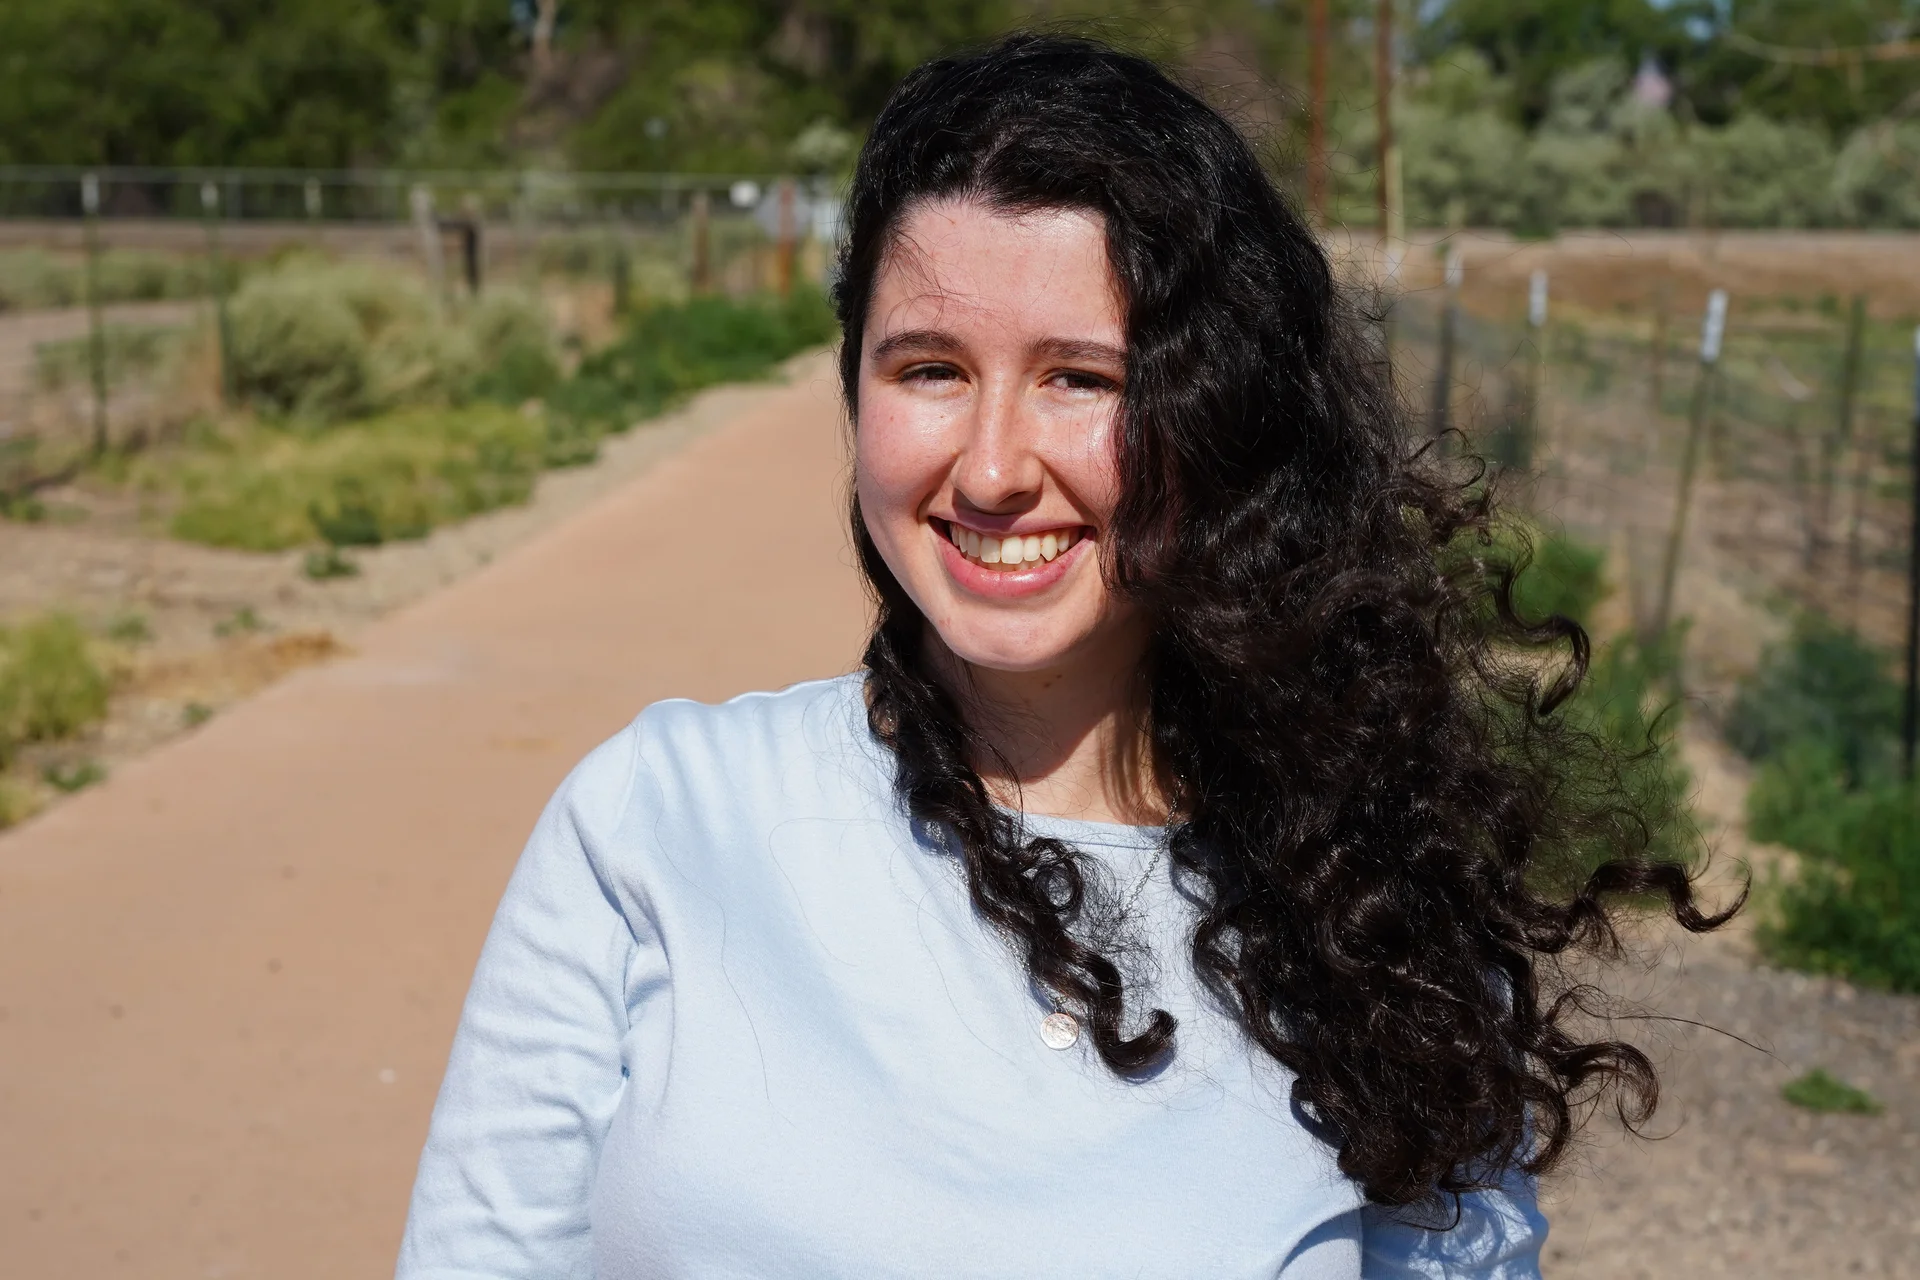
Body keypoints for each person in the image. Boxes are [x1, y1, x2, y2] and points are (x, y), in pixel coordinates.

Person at [396, 34, 1734, 1279]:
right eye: (928, 369)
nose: (989, 468)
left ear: (1224, 417)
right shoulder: (658, 820)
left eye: (1081, 379)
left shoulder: (1377, 914)